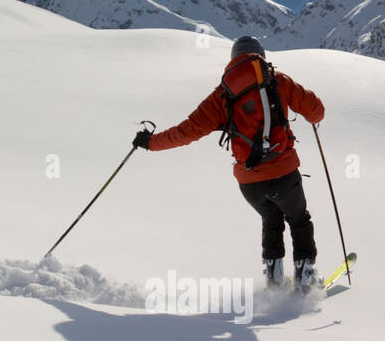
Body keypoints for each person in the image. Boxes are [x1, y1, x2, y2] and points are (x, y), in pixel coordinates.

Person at [131, 35, 326, 290]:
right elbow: (317, 111)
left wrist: (150, 142)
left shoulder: (222, 94)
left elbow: (187, 131)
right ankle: (305, 283)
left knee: (271, 221)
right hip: (284, 173)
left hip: (249, 182)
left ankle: (275, 284)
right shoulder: (278, 80)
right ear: (261, 57)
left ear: (233, 60)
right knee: (299, 221)